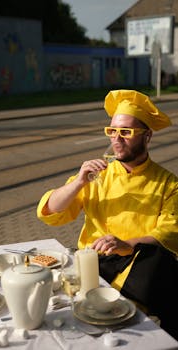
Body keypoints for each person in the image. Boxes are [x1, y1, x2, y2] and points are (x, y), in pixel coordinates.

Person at [37, 89, 178, 339]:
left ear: (147, 136)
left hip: (139, 266)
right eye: (112, 131)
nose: (116, 139)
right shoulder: (96, 174)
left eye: (126, 132)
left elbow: (170, 231)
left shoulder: (168, 183)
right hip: (94, 263)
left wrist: (126, 243)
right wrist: (78, 182)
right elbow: (52, 211)